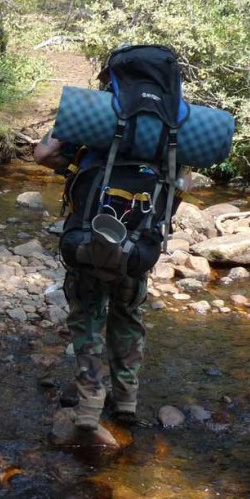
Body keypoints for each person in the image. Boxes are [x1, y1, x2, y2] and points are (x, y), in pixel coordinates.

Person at [35, 132, 153, 432]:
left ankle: (91, 401)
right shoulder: (170, 125)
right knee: (127, 314)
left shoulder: (96, 119)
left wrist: (71, 167)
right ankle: (127, 398)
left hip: (86, 244)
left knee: (87, 315)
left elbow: (43, 154)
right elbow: (181, 186)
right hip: (137, 251)